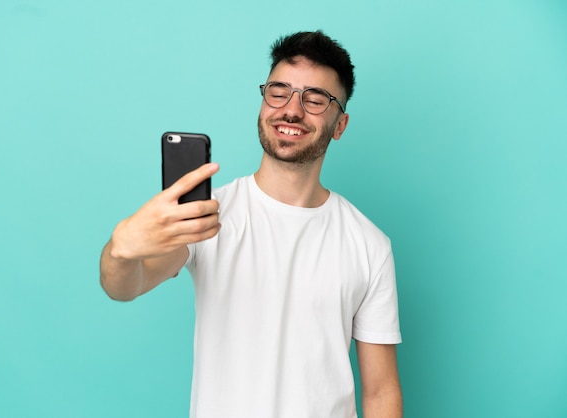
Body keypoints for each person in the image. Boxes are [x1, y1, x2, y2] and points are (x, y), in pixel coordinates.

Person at [100, 30, 403, 418]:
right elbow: (125, 286)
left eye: (314, 99)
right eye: (279, 91)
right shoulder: (208, 215)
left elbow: (380, 394)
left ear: (340, 125)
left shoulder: (369, 245)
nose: (291, 110)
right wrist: (121, 251)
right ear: (263, 102)